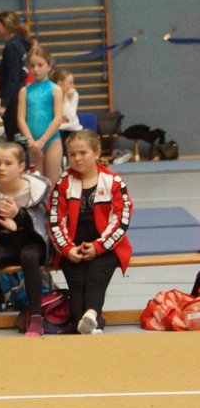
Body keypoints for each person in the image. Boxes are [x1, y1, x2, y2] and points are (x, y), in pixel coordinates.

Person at [48, 130, 133, 334]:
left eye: (83, 153)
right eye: (72, 154)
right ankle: (93, 319)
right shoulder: (63, 183)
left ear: (96, 153)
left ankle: (92, 313)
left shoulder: (113, 182)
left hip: (107, 248)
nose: (77, 158)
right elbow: (55, 220)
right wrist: (68, 249)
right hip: (73, 249)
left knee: (95, 277)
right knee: (77, 292)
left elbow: (121, 219)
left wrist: (98, 247)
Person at [0, 141, 51, 338]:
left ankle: (36, 318)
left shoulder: (36, 189)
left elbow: (43, 226)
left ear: (21, 166)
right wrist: (2, 229)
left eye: (8, 163)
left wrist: (19, 216)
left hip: (32, 242)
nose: (1, 168)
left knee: (29, 256)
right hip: (5, 242)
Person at [18, 46, 64, 186]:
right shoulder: (24, 91)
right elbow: (21, 118)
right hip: (32, 142)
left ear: (49, 66)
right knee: (36, 184)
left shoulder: (55, 89)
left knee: (52, 183)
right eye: (32, 65)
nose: (36, 69)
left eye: (40, 65)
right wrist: (31, 140)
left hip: (51, 140)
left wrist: (43, 141)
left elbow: (58, 118)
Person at [0, 10, 32, 141]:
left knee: (14, 138)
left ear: (6, 26)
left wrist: (4, 104)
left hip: (14, 99)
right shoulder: (22, 43)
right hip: (21, 94)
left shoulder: (11, 46)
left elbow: (12, 76)